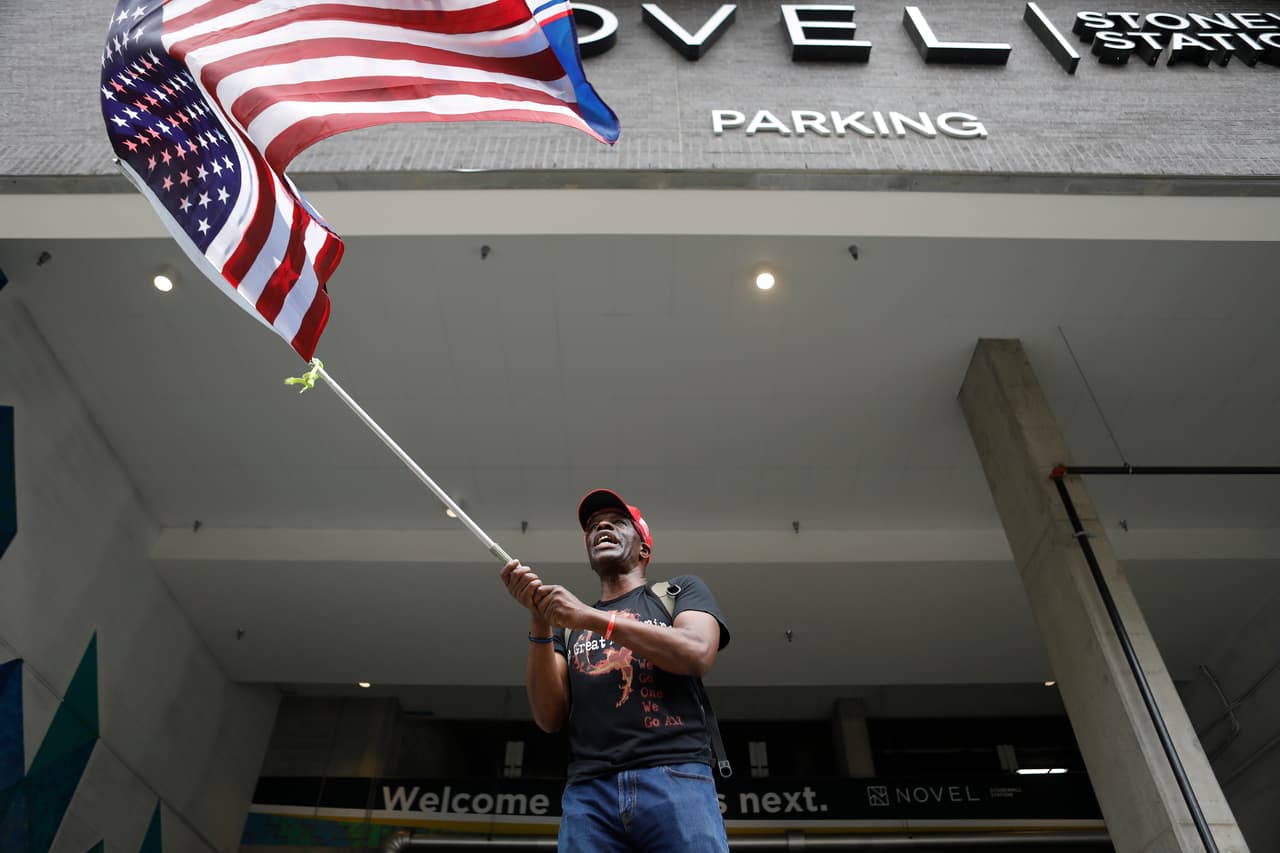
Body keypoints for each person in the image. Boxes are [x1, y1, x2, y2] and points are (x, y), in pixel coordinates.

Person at [499, 488, 731, 852]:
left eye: (618, 522)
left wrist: (592, 618)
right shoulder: (568, 627)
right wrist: (540, 619)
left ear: (644, 549)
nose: (601, 526)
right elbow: (549, 717)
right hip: (590, 792)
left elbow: (697, 652)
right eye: (593, 524)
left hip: (676, 775)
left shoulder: (678, 591)